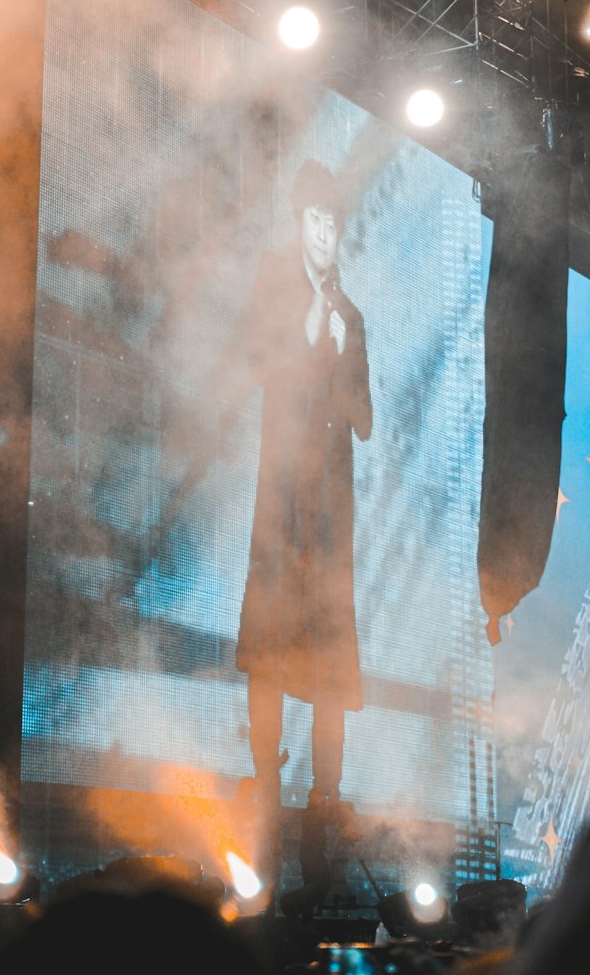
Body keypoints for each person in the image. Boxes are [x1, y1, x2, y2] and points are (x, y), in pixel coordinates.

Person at [236, 158, 373, 821]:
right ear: (299, 223)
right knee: (268, 643)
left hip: (331, 518)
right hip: (282, 503)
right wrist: (306, 337)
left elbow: (366, 421)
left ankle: (327, 799)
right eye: (317, 219)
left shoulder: (354, 313)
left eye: (335, 222)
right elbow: (253, 360)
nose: (326, 233)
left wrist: (344, 355)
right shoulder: (273, 279)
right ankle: (263, 779)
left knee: (328, 662)